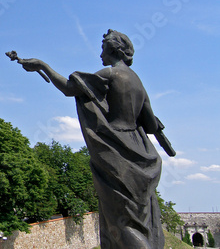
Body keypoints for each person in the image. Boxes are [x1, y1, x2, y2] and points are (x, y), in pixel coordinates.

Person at [18, 30, 164, 249]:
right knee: (134, 218)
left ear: (115, 49)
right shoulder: (137, 81)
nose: (100, 53)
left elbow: (70, 88)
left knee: (121, 220)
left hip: (115, 150)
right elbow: (151, 125)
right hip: (139, 151)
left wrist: (41, 65)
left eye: (103, 47)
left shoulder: (111, 74)